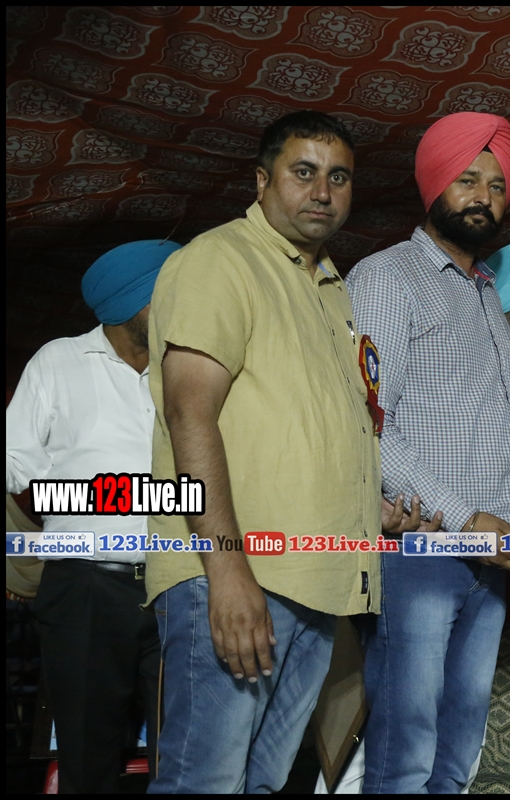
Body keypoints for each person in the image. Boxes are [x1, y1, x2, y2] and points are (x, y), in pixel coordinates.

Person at [145, 111, 383, 793]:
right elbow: (189, 412)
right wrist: (227, 573)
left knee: (264, 785)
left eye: (339, 177)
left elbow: (309, 426)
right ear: (261, 180)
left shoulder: (329, 285)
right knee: (203, 783)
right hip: (236, 573)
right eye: (303, 172)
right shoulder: (220, 260)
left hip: (315, 583)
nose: (323, 192)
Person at [347, 111, 510, 794]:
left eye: (496, 185)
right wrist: (465, 520)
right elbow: (368, 424)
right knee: (406, 748)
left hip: (491, 554)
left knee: (459, 745)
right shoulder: (387, 277)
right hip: (424, 547)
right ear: (433, 183)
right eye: (467, 180)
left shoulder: (487, 290)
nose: (483, 197)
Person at [6, 240, 178, 792]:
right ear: (128, 303)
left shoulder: (193, 365)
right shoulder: (58, 362)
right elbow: (14, 461)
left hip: (184, 585)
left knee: (188, 757)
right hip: (86, 590)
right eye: (169, 290)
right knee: (87, 757)